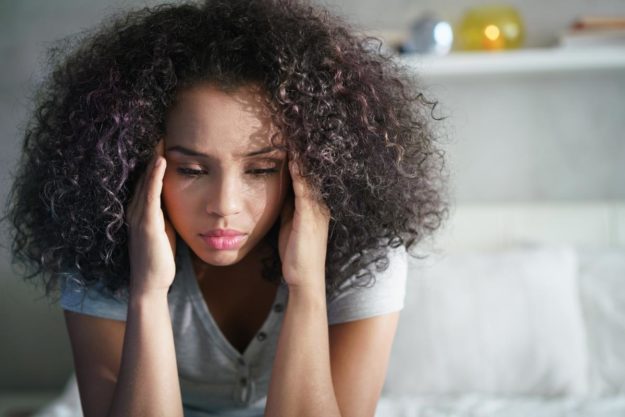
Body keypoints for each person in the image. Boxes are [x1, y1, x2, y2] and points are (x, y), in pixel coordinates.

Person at [4, 0, 448, 416]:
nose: (224, 206)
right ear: (135, 164)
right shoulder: (96, 246)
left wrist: (307, 285)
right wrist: (147, 292)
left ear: (311, 168)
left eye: (260, 170)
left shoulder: (364, 252)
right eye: (192, 170)